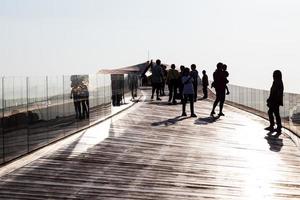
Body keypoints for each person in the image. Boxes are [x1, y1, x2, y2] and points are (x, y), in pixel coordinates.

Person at [265, 70, 284, 134]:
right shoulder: (276, 82)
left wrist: (273, 100)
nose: (273, 76)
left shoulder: (278, 82)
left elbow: (277, 93)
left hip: (275, 101)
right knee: (275, 113)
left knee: (272, 112)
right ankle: (276, 126)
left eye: (274, 75)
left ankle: (275, 126)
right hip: (275, 101)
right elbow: (273, 92)